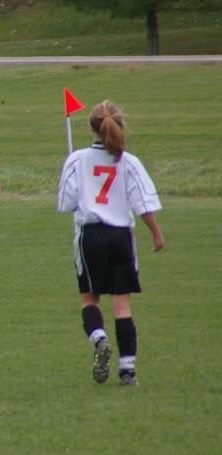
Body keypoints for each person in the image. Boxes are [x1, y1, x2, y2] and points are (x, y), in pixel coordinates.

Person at [57, 100, 163, 386]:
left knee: (89, 299)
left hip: (90, 236)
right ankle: (127, 371)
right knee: (122, 306)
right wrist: (156, 233)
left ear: (92, 127)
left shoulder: (77, 159)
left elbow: (66, 203)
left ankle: (99, 339)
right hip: (121, 237)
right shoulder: (128, 161)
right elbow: (142, 202)